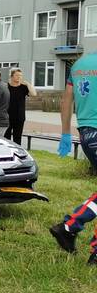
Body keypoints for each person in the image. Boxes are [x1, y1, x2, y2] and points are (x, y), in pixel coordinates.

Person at [51, 50, 97, 263]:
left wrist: (66, 133)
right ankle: (69, 226)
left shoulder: (79, 65)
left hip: (87, 133)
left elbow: (66, 101)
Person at [5, 68, 36, 144]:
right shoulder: (6, 86)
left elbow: (34, 94)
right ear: (11, 76)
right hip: (7, 116)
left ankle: (17, 154)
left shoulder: (23, 87)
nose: (19, 77)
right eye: (17, 75)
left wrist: (28, 84)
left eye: (20, 76)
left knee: (17, 138)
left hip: (19, 117)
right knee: (6, 137)